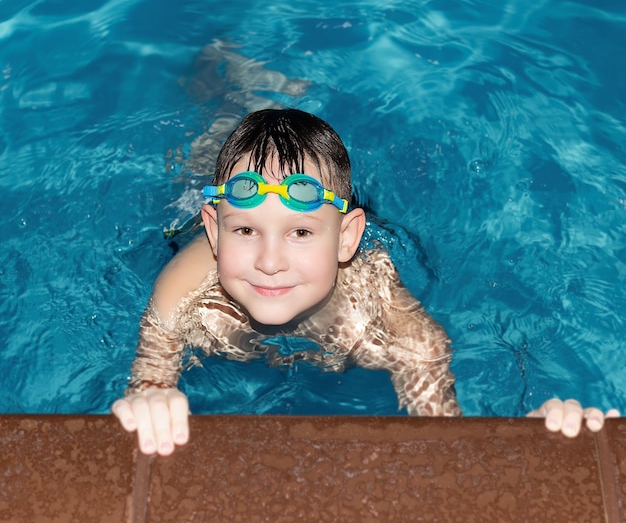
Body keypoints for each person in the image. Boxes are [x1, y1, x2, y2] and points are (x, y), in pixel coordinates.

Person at [112, 108, 616, 455]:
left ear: (347, 239)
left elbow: (452, 444)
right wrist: (152, 399)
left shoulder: (383, 319)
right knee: (201, 152)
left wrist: (531, 443)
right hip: (191, 216)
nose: (269, 261)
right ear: (215, 233)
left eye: (301, 232)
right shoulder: (183, 292)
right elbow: (149, 381)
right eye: (245, 230)